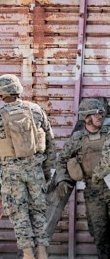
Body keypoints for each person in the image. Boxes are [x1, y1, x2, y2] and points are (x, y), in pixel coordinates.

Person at [0, 74, 55, 259]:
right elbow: (50, 142)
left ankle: (27, 254)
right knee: (39, 213)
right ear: (18, 89)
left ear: (0, 94)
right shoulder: (37, 111)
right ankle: (42, 252)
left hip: (11, 175)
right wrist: (47, 171)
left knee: (19, 215)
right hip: (35, 171)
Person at [58, 98, 110, 258]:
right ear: (86, 117)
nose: (100, 116)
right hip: (93, 193)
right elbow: (62, 159)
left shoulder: (108, 134)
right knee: (99, 234)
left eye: (101, 113)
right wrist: (62, 179)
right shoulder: (78, 138)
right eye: (95, 114)